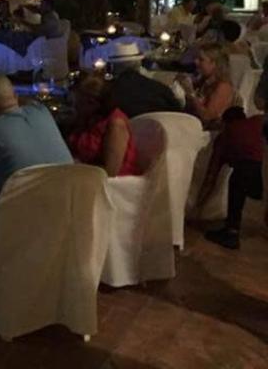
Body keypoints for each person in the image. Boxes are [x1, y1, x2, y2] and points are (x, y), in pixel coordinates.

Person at [0, 75, 73, 203]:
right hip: (70, 202)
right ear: (16, 96)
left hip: (23, 211)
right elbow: (28, 102)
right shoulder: (42, 111)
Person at [196, 108, 264, 250]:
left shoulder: (225, 136)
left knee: (237, 185)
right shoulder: (256, 121)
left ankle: (231, 233)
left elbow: (211, 176)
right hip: (262, 167)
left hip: (246, 169)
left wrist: (197, 207)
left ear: (225, 122)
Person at [68, 74, 141, 177]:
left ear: (93, 103)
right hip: (83, 173)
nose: (74, 105)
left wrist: (77, 169)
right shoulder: (87, 118)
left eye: (78, 102)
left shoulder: (115, 124)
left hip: (114, 182)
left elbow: (111, 171)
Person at [107, 42, 184, 117]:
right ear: (139, 64)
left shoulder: (109, 94)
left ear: (113, 68)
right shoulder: (160, 88)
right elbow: (178, 111)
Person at [177, 44, 237, 127]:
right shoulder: (204, 81)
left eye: (201, 59)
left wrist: (191, 94)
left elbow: (207, 117)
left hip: (209, 130)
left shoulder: (223, 87)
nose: (196, 62)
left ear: (214, 64)